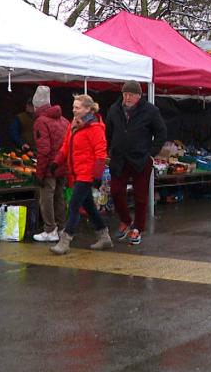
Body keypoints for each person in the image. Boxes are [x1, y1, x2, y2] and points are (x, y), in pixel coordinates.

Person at [105, 80, 167, 245]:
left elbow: (161, 133)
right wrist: (111, 150)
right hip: (119, 159)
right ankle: (125, 220)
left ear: (139, 96)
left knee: (140, 196)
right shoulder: (114, 109)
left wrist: (151, 154)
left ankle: (137, 228)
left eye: (131, 95)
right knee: (116, 191)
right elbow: (109, 132)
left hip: (141, 159)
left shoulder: (150, 111)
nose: (127, 97)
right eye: (125, 94)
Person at [50, 94, 111, 254]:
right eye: (73, 107)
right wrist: (56, 162)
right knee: (89, 206)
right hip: (76, 172)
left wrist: (97, 175)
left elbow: (100, 153)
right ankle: (104, 237)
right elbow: (66, 146)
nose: (74, 110)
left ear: (88, 109)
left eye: (77, 107)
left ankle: (65, 241)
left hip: (87, 174)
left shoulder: (95, 128)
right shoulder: (74, 125)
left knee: (74, 206)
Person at [31, 86, 70, 243]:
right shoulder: (64, 120)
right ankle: (61, 228)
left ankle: (50, 229)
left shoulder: (40, 122)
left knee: (46, 197)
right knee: (59, 196)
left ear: (36, 106)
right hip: (62, 165)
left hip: (49, 167)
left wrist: (39, 173)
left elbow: (44, 151)